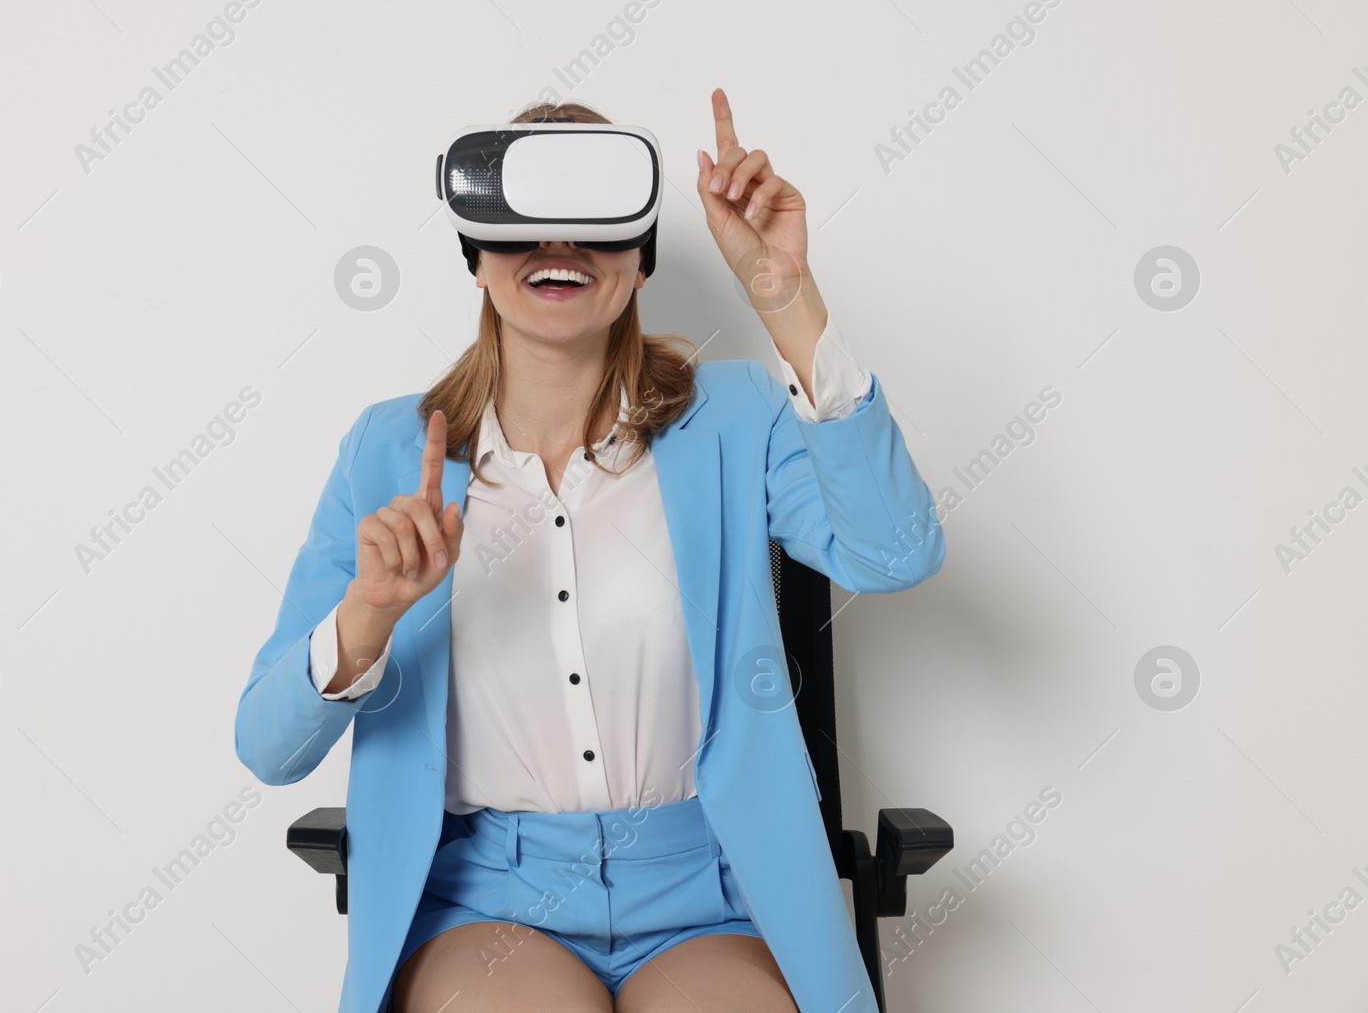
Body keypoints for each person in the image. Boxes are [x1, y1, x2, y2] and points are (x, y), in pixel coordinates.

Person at [234, 88, 945, 1013]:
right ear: (475, 253)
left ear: (641, 258)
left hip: (712, 887)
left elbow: (895, 553)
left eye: (596, 224)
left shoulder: (733, 419)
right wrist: (368, 618)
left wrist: (787, 300)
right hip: (487, 897)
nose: (559, 248)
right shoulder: (388, 451)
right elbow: (266, 744)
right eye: (525, 224)